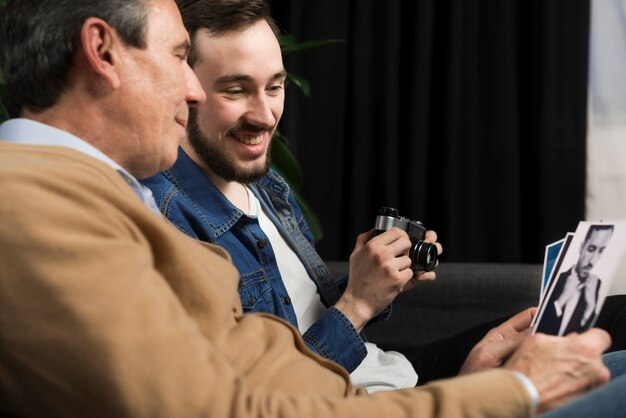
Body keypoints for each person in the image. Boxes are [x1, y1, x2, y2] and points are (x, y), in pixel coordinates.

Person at [0, 0, 625, 417]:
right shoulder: (39, 203)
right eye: (176, 57)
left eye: (274, 86)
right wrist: (507, 392)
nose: (188, 89)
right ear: (102, 52)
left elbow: (268, 370)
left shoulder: (115, 195)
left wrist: (468, 379)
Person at [536, 224, 614, 336]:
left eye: (601, 251)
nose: (593, 261)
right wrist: (561, 300)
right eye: (591, 249)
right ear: (582, 247)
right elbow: (538, 327)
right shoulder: (557, 278)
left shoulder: (596, 285)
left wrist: (590, 307)